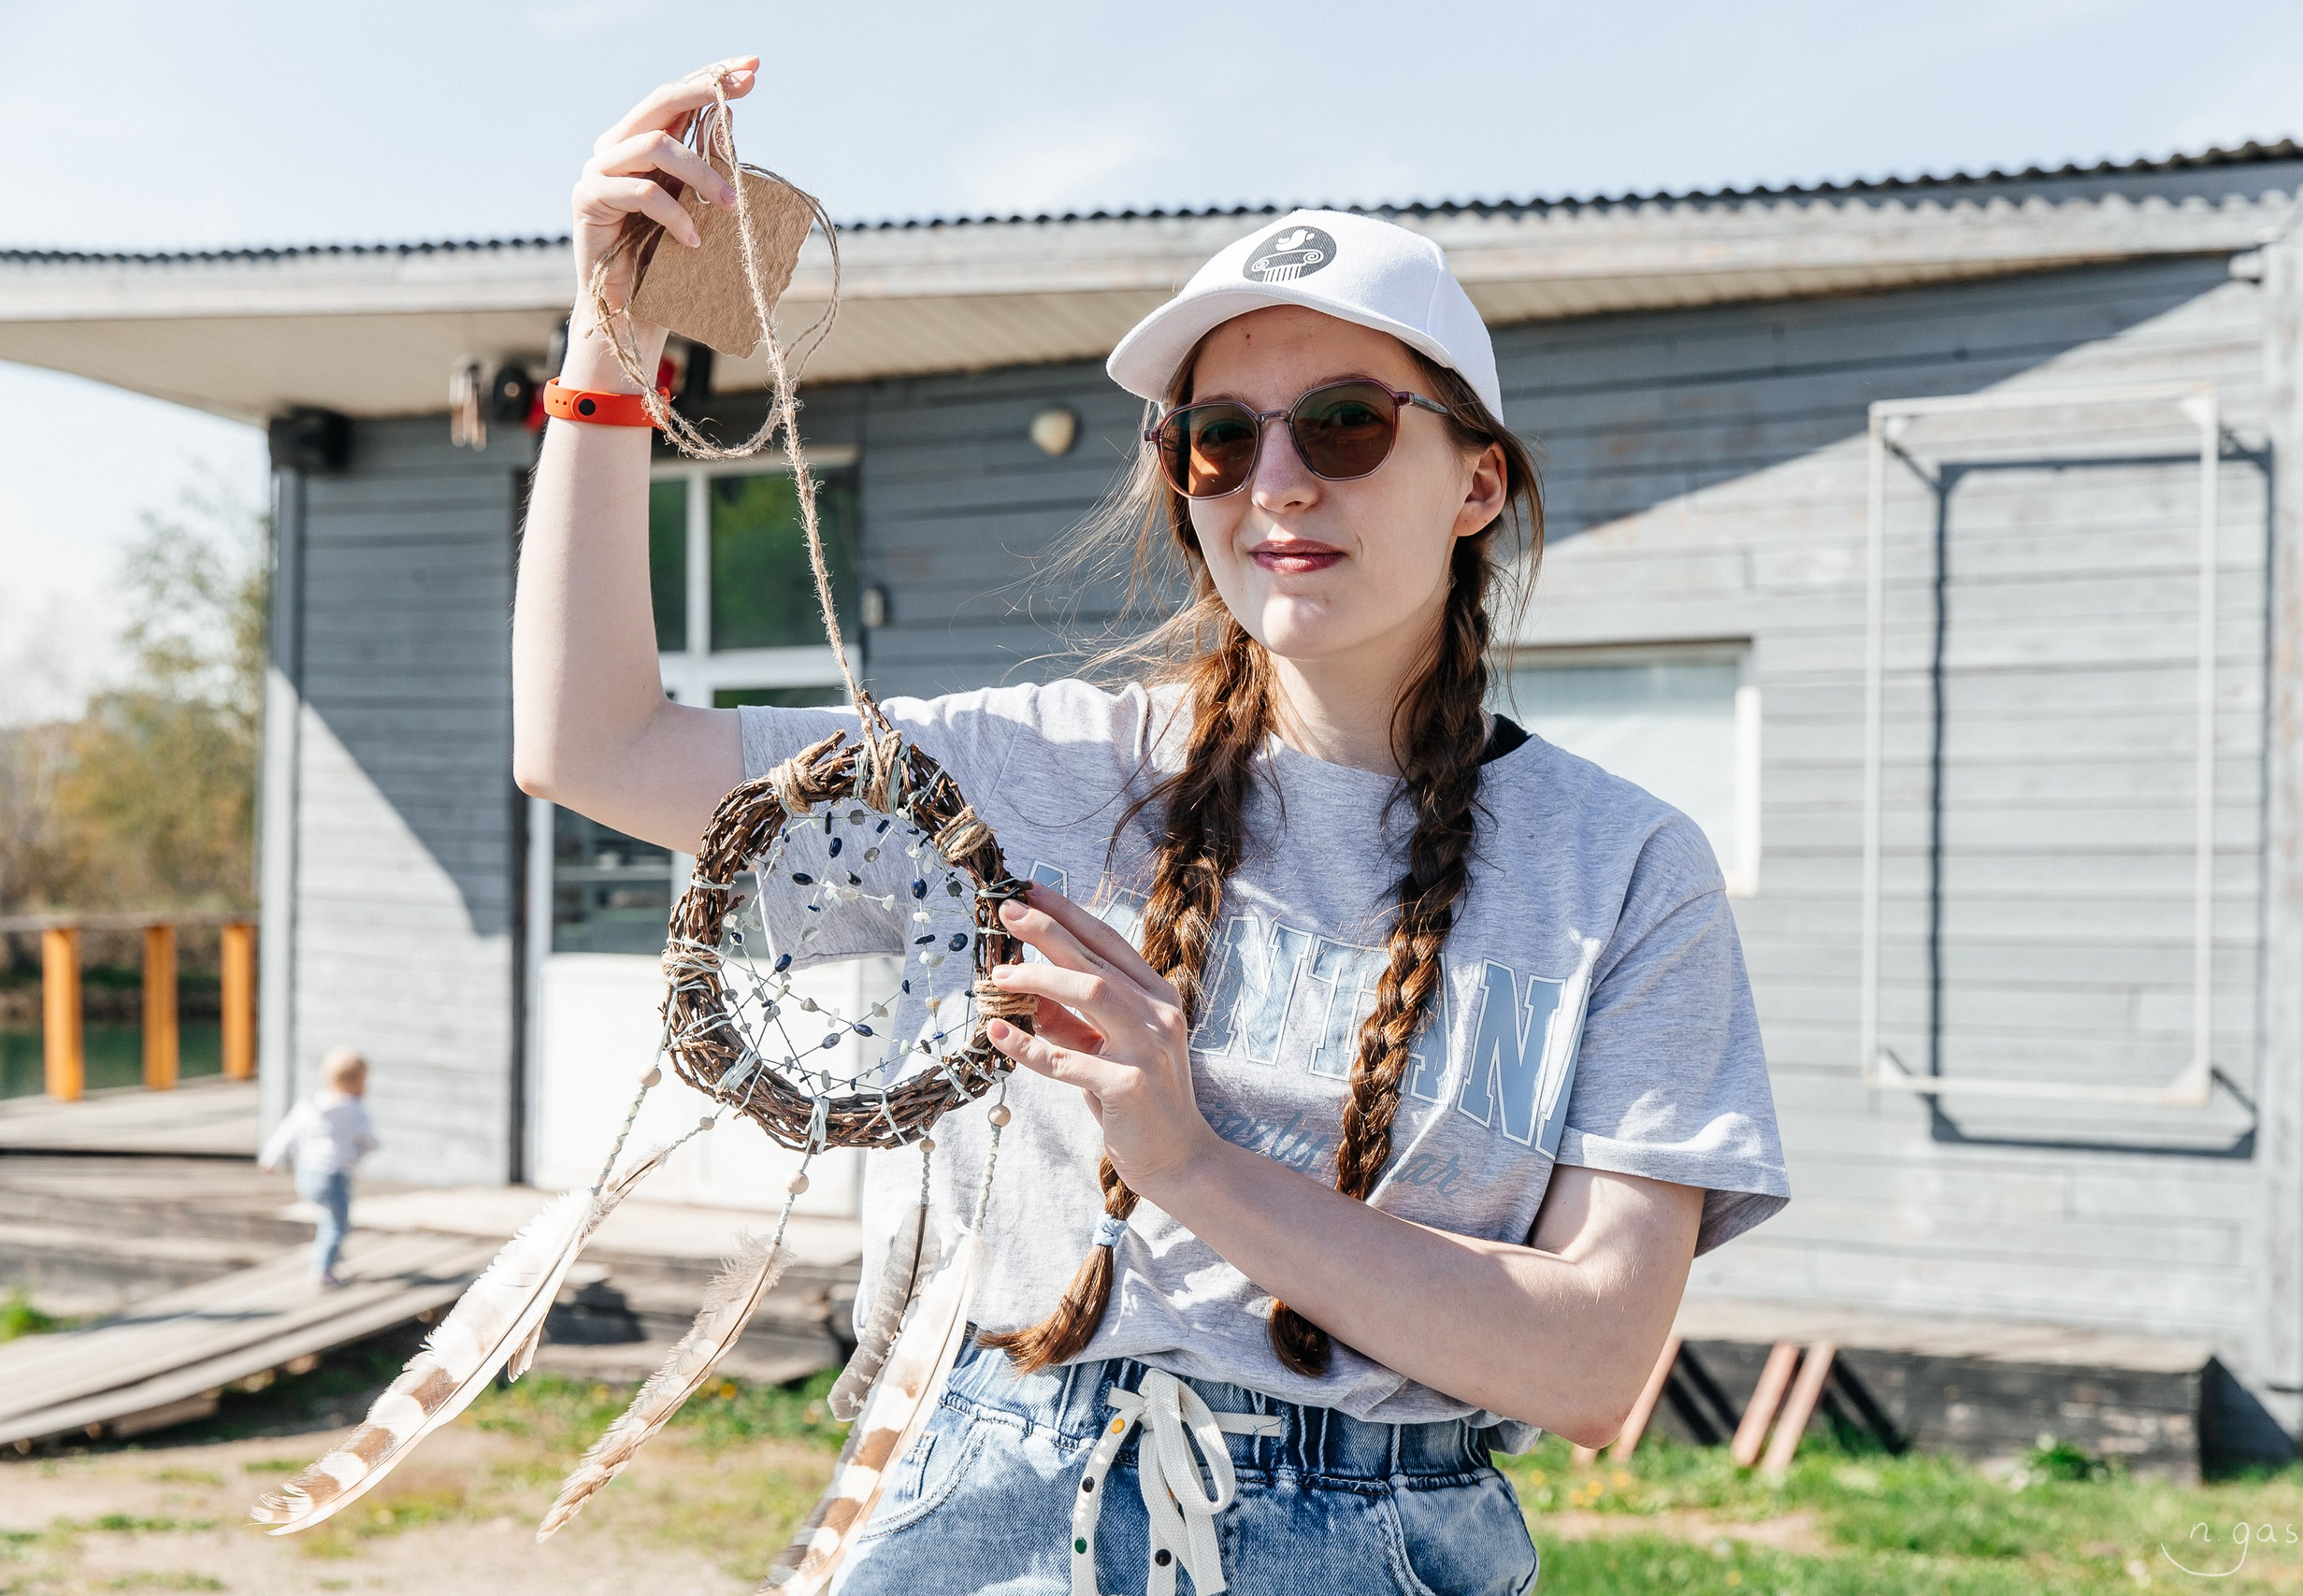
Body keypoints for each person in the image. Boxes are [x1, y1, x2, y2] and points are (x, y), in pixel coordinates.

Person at [515, 59, 1790, 1596]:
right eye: (1216, 437)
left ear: (1478, 483)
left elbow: (1593, 1363)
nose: (1276, 483)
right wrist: (609, 335)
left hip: (1381, 1541)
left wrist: (1185, 1159)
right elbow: (594, 745)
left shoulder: (1624, 866)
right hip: (996, 1495)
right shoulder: (1040, 767)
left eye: (1344, 423)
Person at [260, 1046, 379, 1288]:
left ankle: (330, 1251)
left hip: (306, 1175)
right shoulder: (356, 1112)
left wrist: (271, 1158)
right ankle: (323, 1270)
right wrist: (363, 1151)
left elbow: (287, 1132)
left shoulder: (310, 1105)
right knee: (338, 1223)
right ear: (359, 1083)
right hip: (333, 1176)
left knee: (330, 1219)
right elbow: (370, 1141)